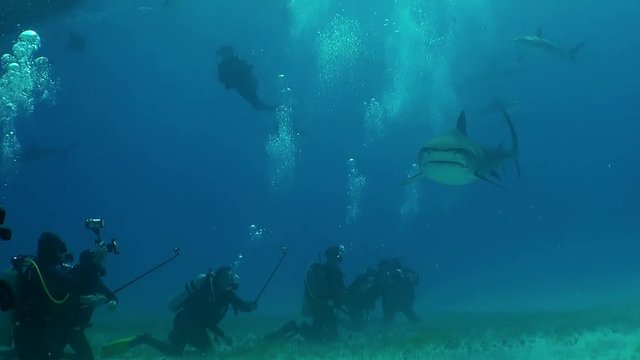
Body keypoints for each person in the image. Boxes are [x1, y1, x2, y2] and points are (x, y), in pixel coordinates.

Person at [129, 266, 257, 356]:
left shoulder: (227, 294)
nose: (231, 279)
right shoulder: (207, 292)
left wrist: (250, 306)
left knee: (174, 353)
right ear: (220, 278)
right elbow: (206, 321)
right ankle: (149, 339)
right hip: (187, 324)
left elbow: (243, 306)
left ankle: (145, 340)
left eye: (231, 276)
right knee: (208, 352)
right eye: (228, 276)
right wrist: (222, 336)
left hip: (184, 322)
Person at [12, 232, 75, 360]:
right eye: (61, 249)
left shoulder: (35, 267)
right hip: (36, 337)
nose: (63, 253)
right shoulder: (44, 270)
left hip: (28, 334)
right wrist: (93, 263)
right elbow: (73, 284)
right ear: (51, 251)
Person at [265, 245, 346, 342]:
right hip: (321, 308)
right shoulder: (324, 272)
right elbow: (323, 293)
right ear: (331, 257)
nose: (337, 259)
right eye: (336, 256)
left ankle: (295, 328)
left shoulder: (333, 272)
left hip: (327, 308)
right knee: (321, 337)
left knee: (329, 336)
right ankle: (294, 328)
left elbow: (340, 291)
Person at [65, 245, 118, 360]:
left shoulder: (94, 279)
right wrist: (82, 300)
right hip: (63, 326)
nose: (98, 264)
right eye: (95, 260)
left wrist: (113, 302)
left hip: (77, 330)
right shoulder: (74, 275)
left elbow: (111, 296)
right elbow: (62, 297)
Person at [378, 258, 420, 323]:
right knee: (410, 316)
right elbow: (415, 281)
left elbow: (415, 281)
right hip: (400, 301)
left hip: (397, 301)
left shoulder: (393, 272)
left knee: (388, 320)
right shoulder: (404, 272)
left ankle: (415, 320)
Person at [344, 266, 381, 330]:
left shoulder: (373, 284)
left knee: (360, 324)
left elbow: (371, 297)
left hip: (360, 304)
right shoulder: (360, 281)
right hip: (355, 304)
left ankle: (357, 324)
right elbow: (352, 293)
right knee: (358, 325)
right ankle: (345, 323)